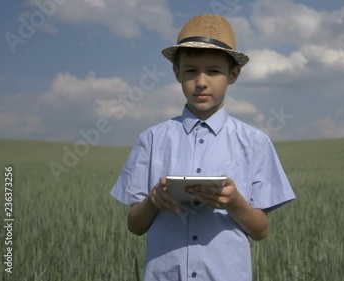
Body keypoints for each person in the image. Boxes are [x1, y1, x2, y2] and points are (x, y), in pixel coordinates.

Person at [110, 14, 296, 281]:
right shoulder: (150, 140)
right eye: (190, 71)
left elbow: (261, 230)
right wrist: (153, 200)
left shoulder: (255, 142)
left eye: (213, 71)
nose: (201, 82)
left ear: (233, 74)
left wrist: (234, 203)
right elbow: (135, 225)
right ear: (176, 73)